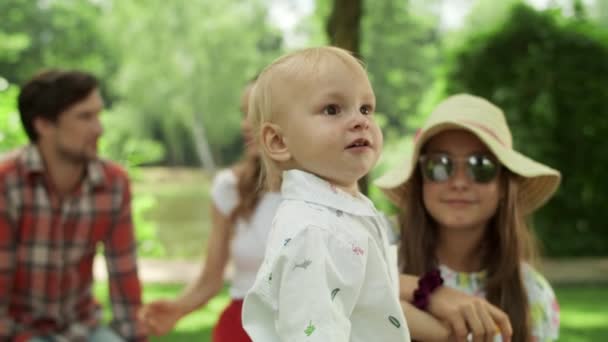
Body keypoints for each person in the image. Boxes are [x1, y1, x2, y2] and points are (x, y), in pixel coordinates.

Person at [241, 46, 411, 342]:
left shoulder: (346, 212)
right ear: (279, 141)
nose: (361, 120)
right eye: (332, 109)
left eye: (366, 108)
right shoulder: (314, 231)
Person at [375, 94, 561, 342]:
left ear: (504, 186)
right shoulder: (377, 241)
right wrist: (429, 293)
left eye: (480, 166)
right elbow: (319, 286)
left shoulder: (533, 295)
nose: (460, 182)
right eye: (439, 165)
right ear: (421, 180)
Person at [0, 69, 147, 341]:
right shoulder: (7, 182)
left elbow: (124, 275)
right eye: (85, 117)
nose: (99, 128)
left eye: (98, 115)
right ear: (43, 124)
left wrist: (133, 335)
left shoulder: (113, 183)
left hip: (83, 328)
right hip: (19, 331)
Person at [138, 81, 282, 342]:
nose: (245, 124)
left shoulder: (331, 193)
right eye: (244, 114)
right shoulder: (230, 187)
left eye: (258, 114)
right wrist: (178, 309)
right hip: (242, 327)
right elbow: (210, 278)